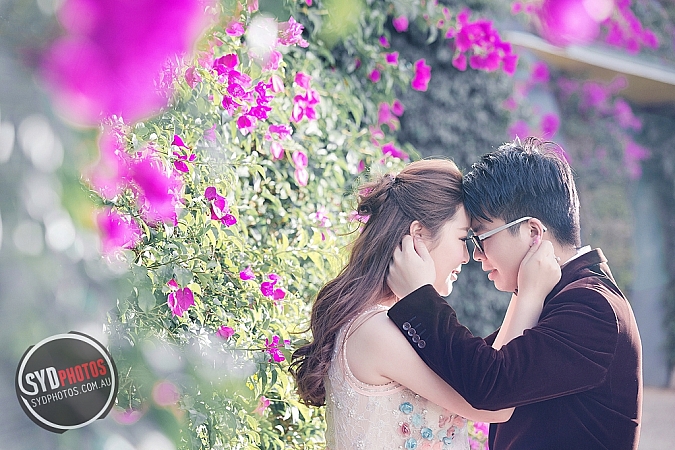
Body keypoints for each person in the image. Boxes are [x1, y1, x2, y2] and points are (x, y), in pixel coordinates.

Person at [386, 137, 643, 450]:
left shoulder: (593, 307)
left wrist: (418, 297)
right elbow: (475, 363)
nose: (476, 255)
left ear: (532, 232)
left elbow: (489, 383)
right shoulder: (564, 295)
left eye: (481, 237)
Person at [290, 159, 561, 450]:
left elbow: (490, 370)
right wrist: (529, 293)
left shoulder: (386, 323)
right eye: (462, 238)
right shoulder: (376, 331)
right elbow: (494, 403)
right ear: (418, 235)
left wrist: (521, 285)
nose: (466, 256)